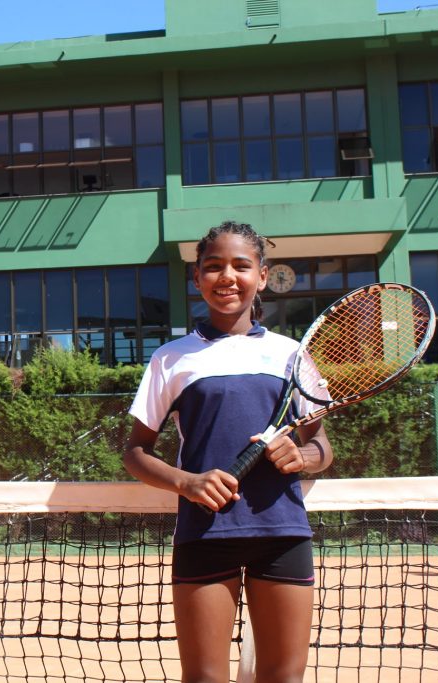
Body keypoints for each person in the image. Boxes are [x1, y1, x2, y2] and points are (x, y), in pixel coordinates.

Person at [124, 221, 333, 683]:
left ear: (262, 275)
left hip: (283, 532)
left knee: (283, 678)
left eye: (241, 265)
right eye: (213, 266)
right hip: (204, 534)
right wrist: (187, 482)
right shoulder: (171, 358)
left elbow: (321, 445)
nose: (227, 276)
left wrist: (304, 458)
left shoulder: (292, 355)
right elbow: (136, 452)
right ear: (197, 278)